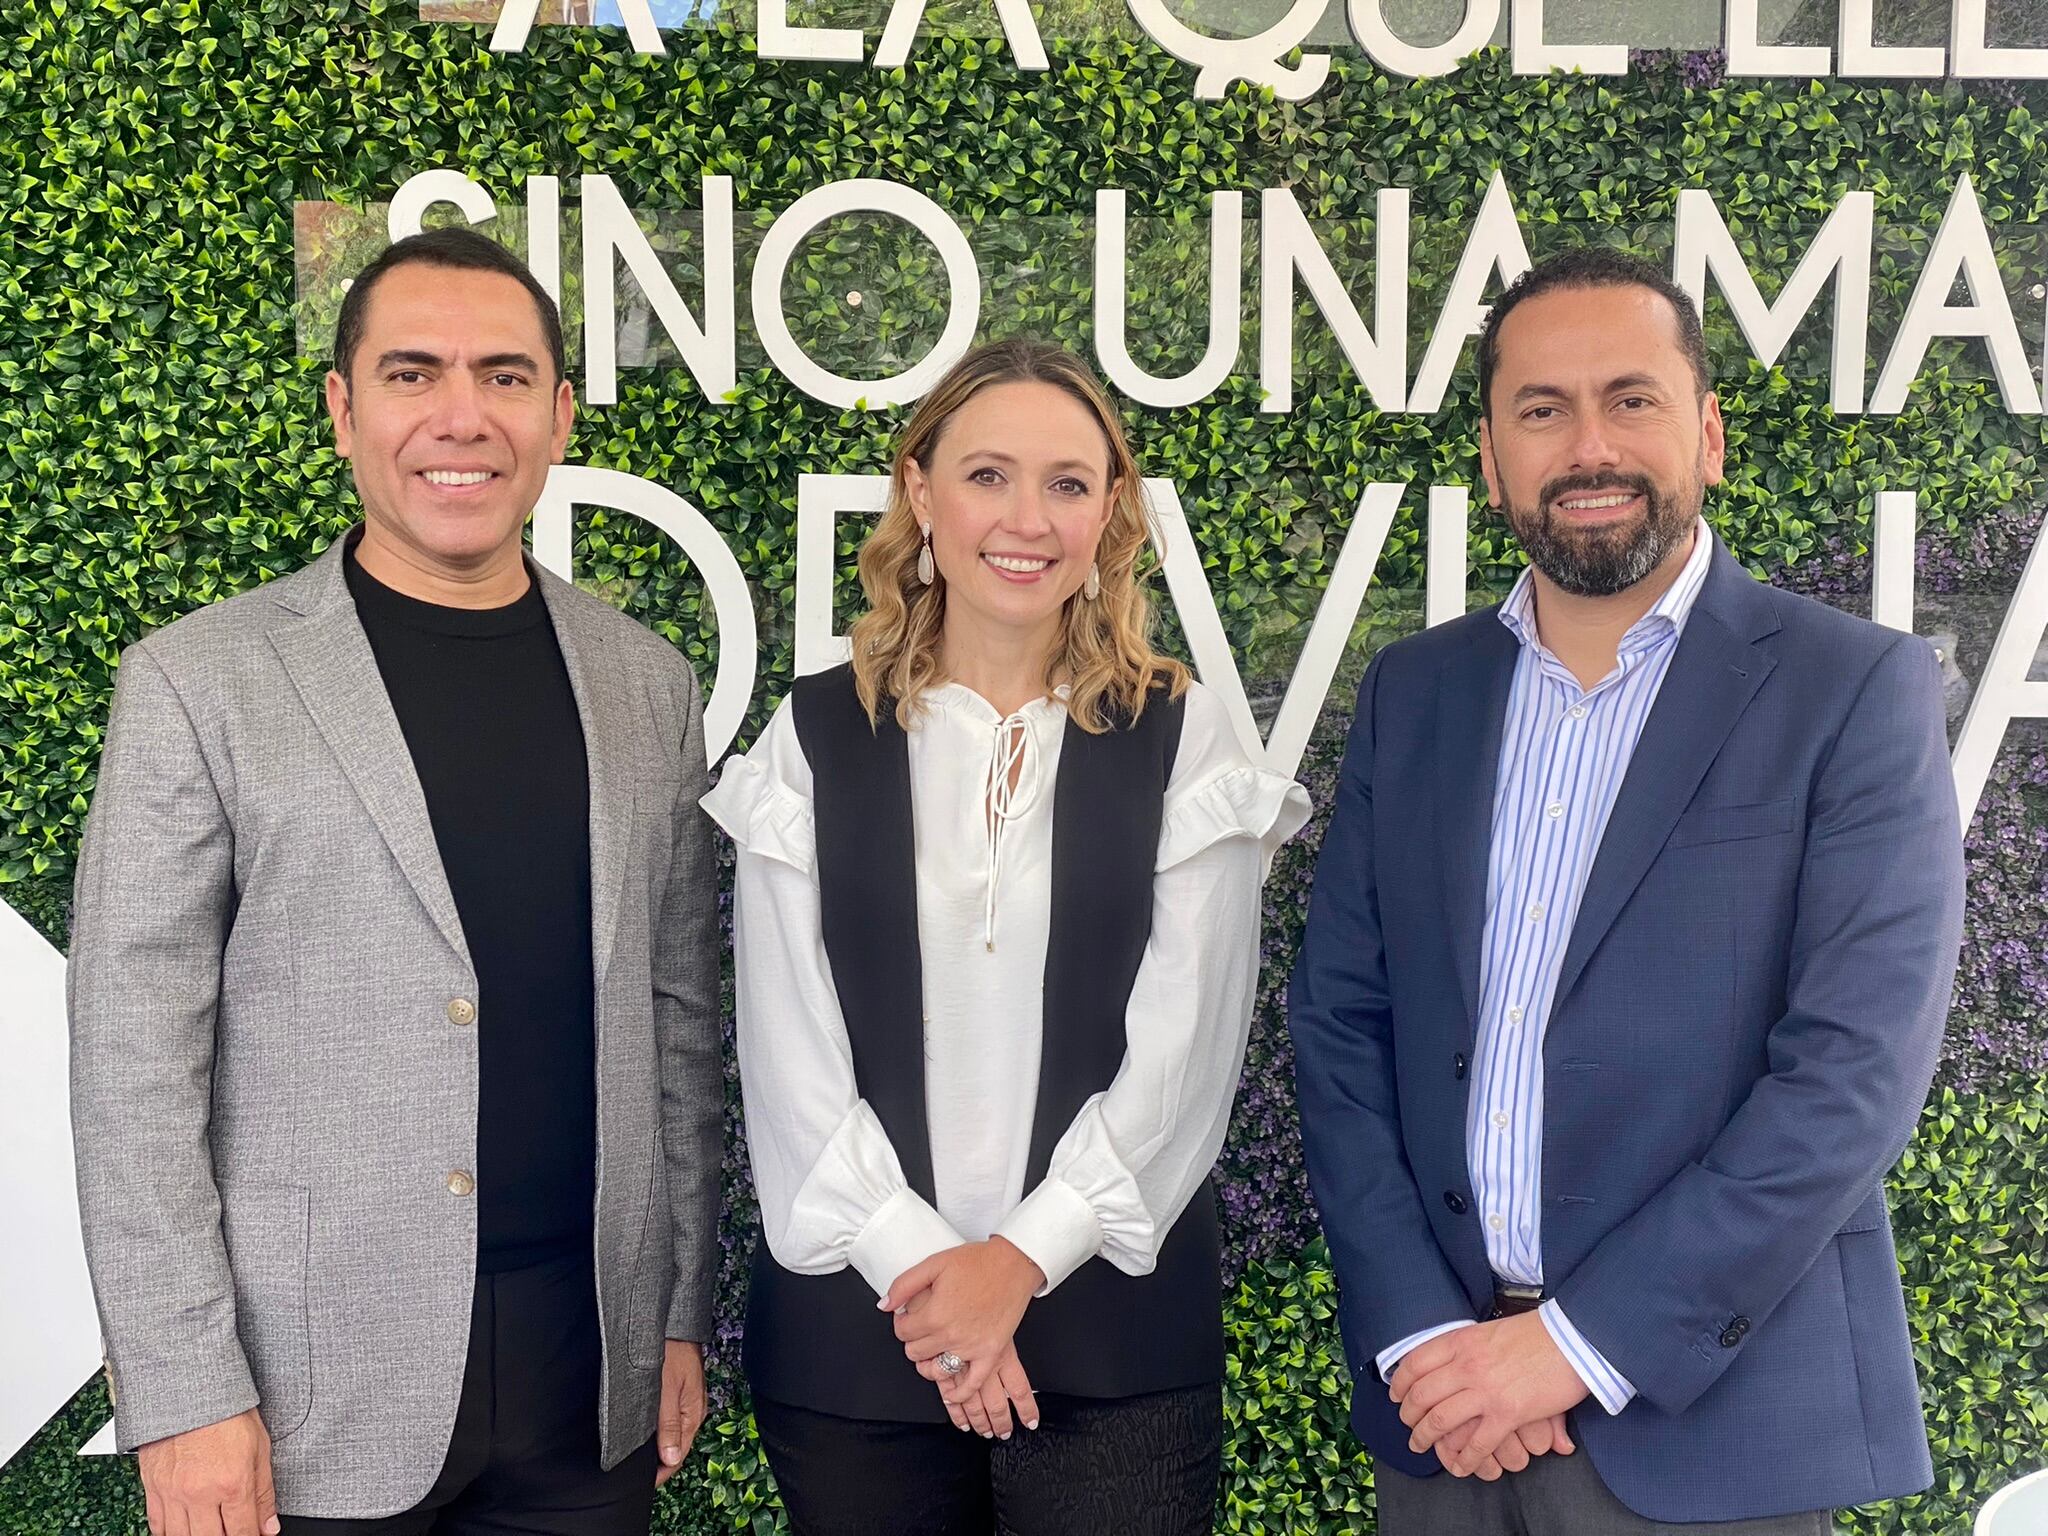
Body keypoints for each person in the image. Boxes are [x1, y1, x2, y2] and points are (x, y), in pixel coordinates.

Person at [1288, 247, 1965, 1533]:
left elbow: (1850, 1076)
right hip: (1441, 1416)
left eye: (1629, 399)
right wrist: (1419, 1331)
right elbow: (1339, 1025)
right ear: (1491, 459)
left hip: (1705, 1426)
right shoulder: (1412, 694)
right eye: (1541, 409)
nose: (1587, 446)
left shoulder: (1848, 692)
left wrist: (1571, 1346)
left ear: (1706, 435)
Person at [68, 228, 726, 1536]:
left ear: (559, 415)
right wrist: (185, 1392)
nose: (459, 416)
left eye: (503, 376)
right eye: (413, 373)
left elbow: (678, 1025)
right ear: (343, 408)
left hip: (588, 1376)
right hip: (306, 1392)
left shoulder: (648, 683)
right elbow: (131, 1066)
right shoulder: (200, 682)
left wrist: (674, 1314)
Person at [701, 338, 1308, 1535]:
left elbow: (1185, 1060)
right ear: (919, 492)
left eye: (1066, 483)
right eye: (987, 475)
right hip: (856, 1348)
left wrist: (1015, 1264)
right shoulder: (812, 734)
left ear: (1109, 513)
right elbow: (787, 1060)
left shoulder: (1181, 736)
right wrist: (934, 1290)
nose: (1025, 519)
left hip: (1113, 1350)